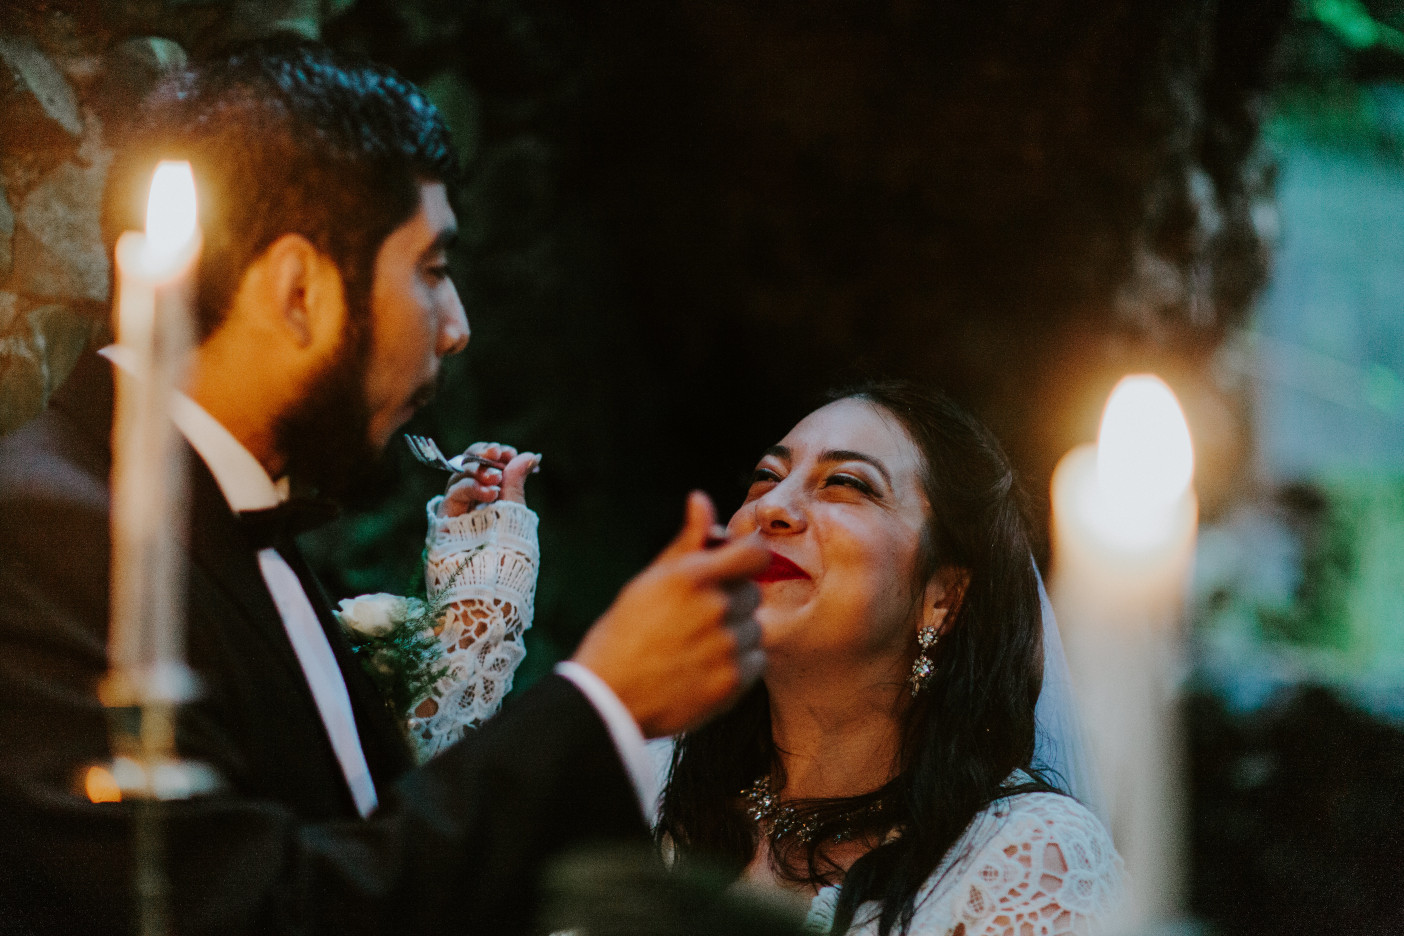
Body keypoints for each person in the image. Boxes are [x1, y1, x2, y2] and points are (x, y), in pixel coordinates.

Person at [0, 39, 768, 936]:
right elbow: (253, 916)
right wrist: (602, 699)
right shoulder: (41, 533)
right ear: (299, 291)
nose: (456, 329)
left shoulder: (233, 518)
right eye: (431, 271)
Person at [655, 383, 1124, 936]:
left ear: (942, 597)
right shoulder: (661, 797)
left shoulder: (1026, 859)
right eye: (765, 478)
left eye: (846, 483)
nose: (772, 509)